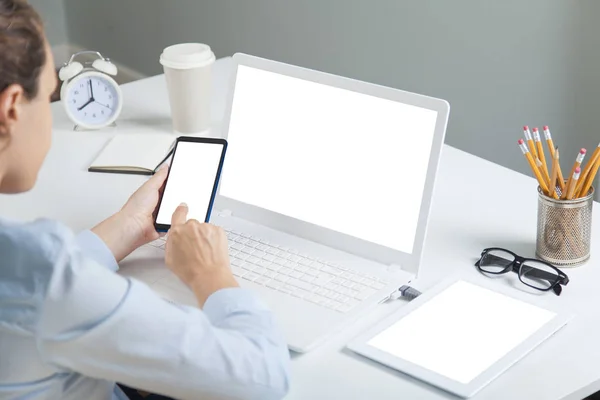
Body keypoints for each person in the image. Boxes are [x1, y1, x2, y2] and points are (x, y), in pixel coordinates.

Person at [0, 1, 290, 399]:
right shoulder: (40, 274)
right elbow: (263, 380)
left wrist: (127, 226)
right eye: (49, 97)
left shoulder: (23, 269)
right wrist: (211, 274)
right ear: (11, 108)